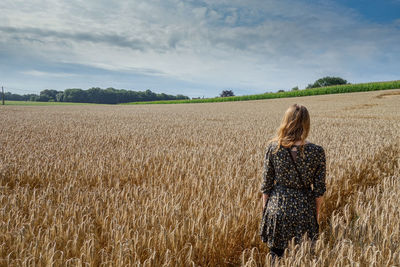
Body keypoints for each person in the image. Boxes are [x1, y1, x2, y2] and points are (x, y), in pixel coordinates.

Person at [259, 103, 326, 259]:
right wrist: (315, 215)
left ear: (286, 121)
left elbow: (266, 184)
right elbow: (319, 190)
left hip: (277, 208)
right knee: (302, 258)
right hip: (305, 210)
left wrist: (265, 210)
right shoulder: (317, 151)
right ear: (306, 124)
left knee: (275, 256)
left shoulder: (273, 148)